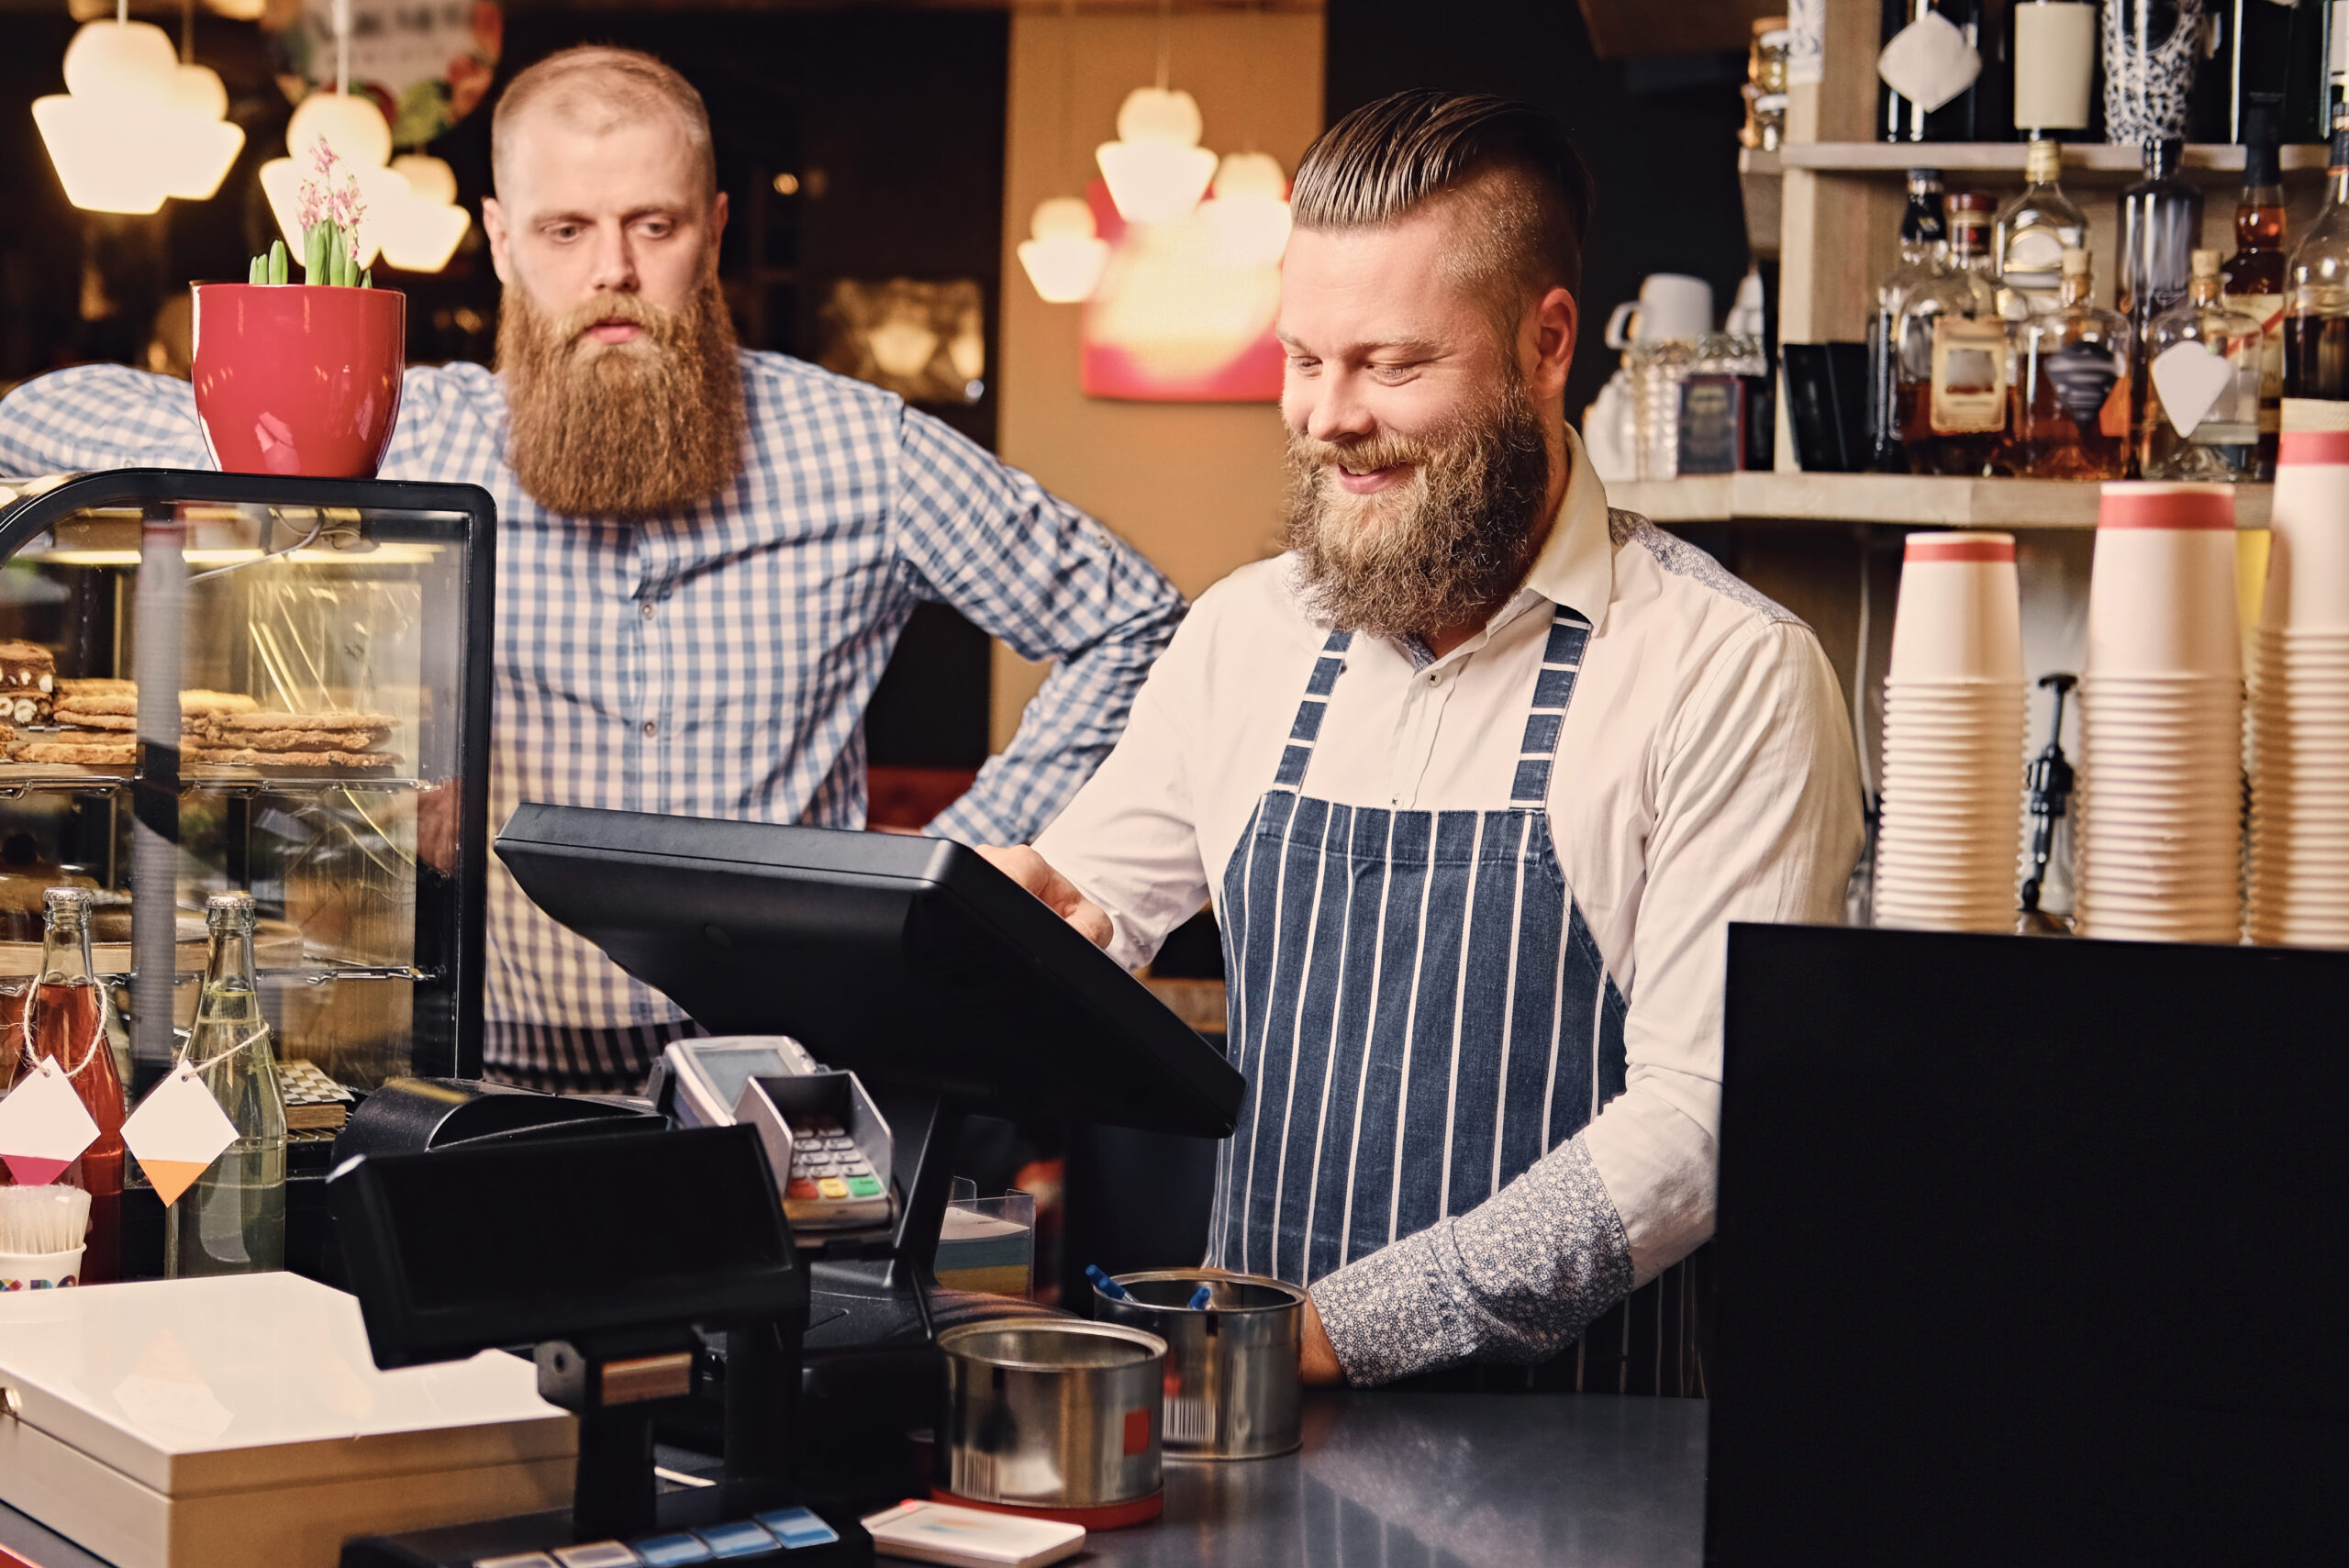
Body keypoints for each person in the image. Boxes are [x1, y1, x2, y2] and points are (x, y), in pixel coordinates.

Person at [0, 47, 1186, 1093]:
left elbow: (1135, 620)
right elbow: (45, 423)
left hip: (790, 1075)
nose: (611, 269)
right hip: (487, 1074)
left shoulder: (861, 450)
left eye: (652, 226)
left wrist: (954, 867)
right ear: (505, 242)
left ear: (712, 232)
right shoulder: (408, 439)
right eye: (567, 231)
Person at [983, 92, 1864, 1387]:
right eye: (1303, 358)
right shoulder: (1244, 638)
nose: (1327, 416)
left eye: (1390, 365)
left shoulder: (1727, 672)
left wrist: (1337, 1331)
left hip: (1576, 1458)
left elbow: (1698, 1128)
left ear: (1547, 343)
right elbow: (1088, 905)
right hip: (1258, 1433)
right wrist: (1006, 937)